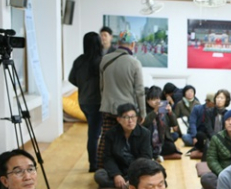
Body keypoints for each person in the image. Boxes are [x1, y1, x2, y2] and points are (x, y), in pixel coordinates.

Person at [97, 30, 145, 169]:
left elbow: (101, 87)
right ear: (133, 44)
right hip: (126, 111)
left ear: (118, 43)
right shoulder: (134, 63)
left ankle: (102, 168)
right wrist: (142, 113)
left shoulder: (105, 60)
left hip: (108, 107)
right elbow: (140, 91)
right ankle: (124, 170)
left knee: (106, 138)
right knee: (126, 140)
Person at [94, 103, 152, 189]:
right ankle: (131, 185)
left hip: (137, 169)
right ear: (119, 119)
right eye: (126, 117)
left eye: (133, 117)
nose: (130, 120)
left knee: (153, 171)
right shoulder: (110, 134)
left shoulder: (144, 133)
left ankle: (126, 184)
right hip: (119, 168)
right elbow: (108, 157)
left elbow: (145, 157)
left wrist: (132, 176)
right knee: (99, 175)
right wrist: (116, 175)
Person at [68, 31, 102, 172]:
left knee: (93, 132)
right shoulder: (101, 61)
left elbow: (71, 79)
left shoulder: (79, 60)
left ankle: (95, 162)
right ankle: (94, 165)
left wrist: (83, 86)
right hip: (97, 102)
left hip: (83, 101)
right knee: (94, 134)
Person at [143, 86, 179, 159]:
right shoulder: (143, 110)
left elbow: (174, 124)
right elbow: (144, 123)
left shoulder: (163, 110)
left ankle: (156, 153)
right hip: (148, 141)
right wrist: (155, 111)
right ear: (147, 100)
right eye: (153, 99)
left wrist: (170, 113)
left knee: (171, 146)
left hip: (161, 140)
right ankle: (154, 153)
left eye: (159, 99)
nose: (157, 101)